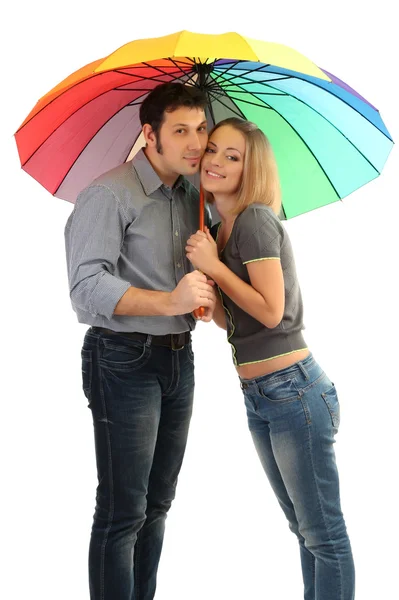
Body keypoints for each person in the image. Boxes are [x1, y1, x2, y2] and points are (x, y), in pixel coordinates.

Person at [186, 117, 355, 599]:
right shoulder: (220, 229)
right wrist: (209, 295)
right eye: (212, 149)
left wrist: (215, 267)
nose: (215, 161)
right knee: (305, 531)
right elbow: (234, 321)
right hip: (261, 394)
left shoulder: (257, 220)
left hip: (294, 390)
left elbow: (271, 311)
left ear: (250, 168)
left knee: (325, 536)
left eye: (232, 157)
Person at [64, 82, 216, 600]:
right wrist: (169, 301)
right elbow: (86, 285)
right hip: (122, 360)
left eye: (201, 129)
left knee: (157, 504)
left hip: (179, 359)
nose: (196, 143)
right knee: (123, 509)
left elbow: (198, 286)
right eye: (181, 131)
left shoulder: (194, 198)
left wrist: (206, 291)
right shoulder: (109, 194)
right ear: (149, 134)